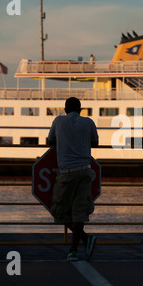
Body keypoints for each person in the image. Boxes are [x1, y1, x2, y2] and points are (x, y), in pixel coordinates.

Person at [47, 97, 99, 261]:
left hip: (66, 172)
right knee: (79, 213)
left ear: (65, 109)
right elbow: (95, 143)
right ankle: (74, 251)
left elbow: (51, 141)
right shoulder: (89, 122)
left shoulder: (58, 121)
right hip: (85, 170)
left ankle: (84, 239)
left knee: (58, 211)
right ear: (80, 109)